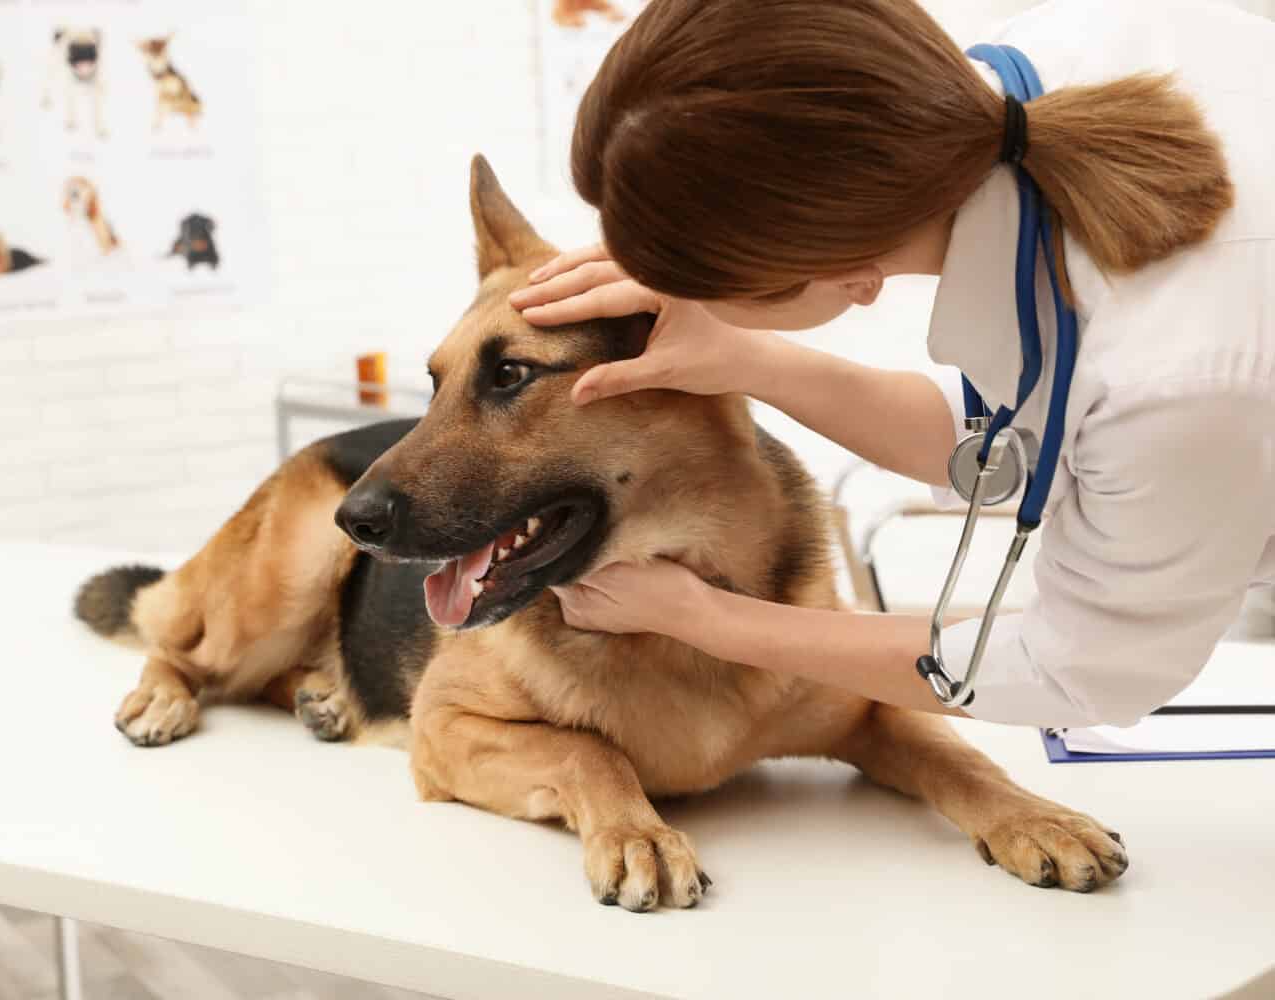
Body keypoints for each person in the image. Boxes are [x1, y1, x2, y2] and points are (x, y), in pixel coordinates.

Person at [510, 0, 1275, 728]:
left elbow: (1076, 669)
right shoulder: (1073, 50)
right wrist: (745, 357)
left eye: (698, 289)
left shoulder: (1178, 377)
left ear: (847, 273)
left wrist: (707, 620)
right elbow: (1028, 421)